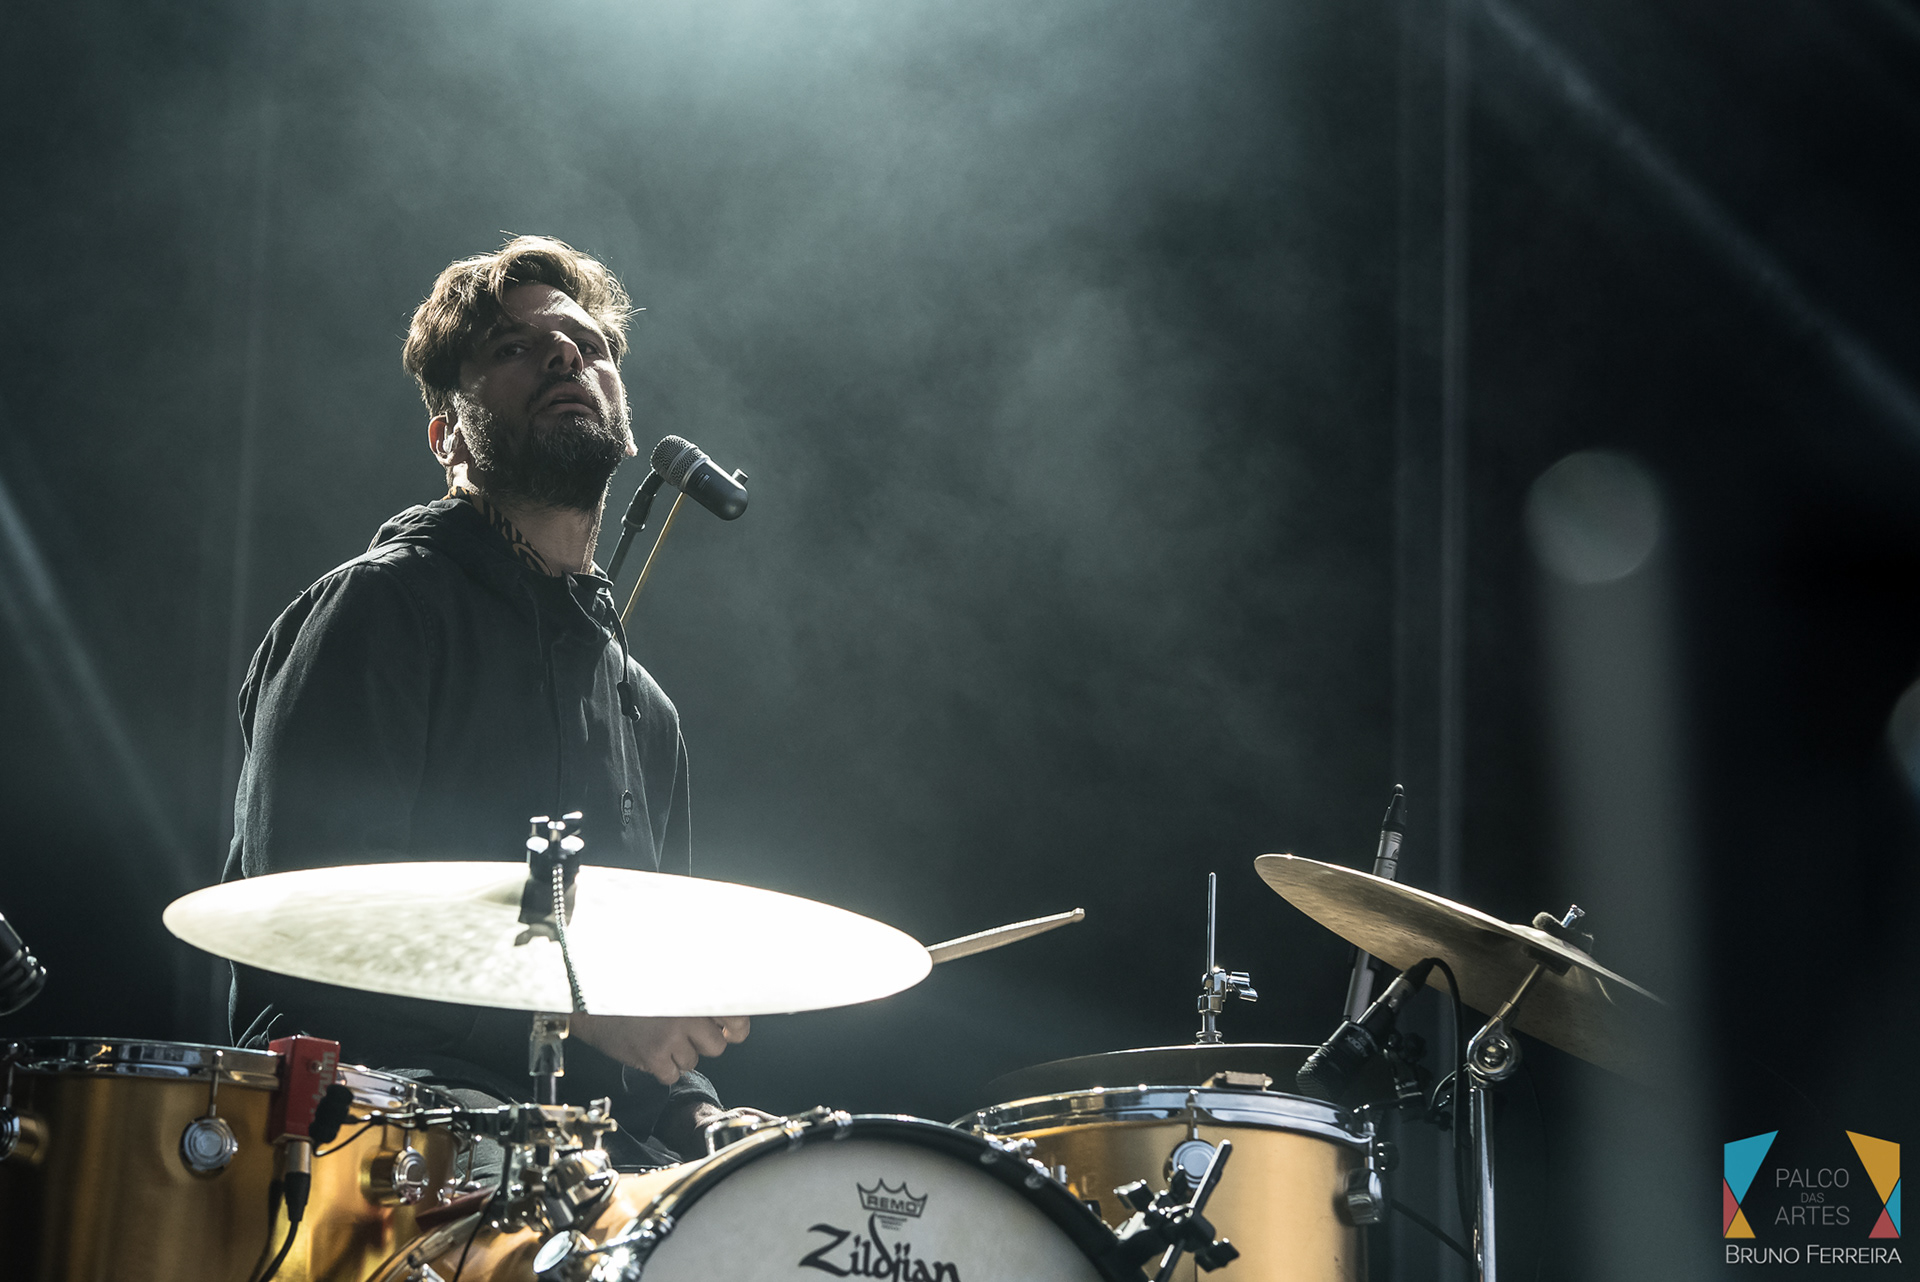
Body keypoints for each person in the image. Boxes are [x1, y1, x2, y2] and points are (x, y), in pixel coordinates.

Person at [224, 235, 745, 1165]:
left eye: (588, 346)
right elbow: (306, 933)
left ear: (625, 422)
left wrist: (701, 1116)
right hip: (388, 1137)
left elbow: (642, 993)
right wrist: (574, 1011)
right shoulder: (381, 608)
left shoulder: (645, 713)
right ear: (449, 438)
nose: (565, 354)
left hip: (594, 1165)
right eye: (515, 347)